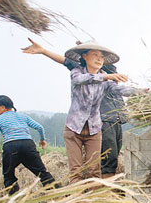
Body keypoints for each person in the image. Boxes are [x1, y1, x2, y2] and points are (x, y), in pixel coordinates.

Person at [23, 39, 136, 184]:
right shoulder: (77, 72)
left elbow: (121, 89)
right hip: (74, 128)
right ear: (84, 56)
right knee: (76, 170)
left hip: (95, 129)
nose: (99, 59)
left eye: (101, 57)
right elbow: (79, 79)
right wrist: (44, 51)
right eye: (94, 55)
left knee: (94, 170)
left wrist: (143, 92)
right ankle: (77, 202)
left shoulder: (107, 79)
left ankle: (94, 202)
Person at [0, 95, 58, 195]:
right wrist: (42, 140)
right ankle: (58, 193)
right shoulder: (22, 116)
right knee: (42, 172)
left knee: (8, 176)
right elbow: (39, 127)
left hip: (11, 146)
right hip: (27, 145)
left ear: (3, 107)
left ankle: (14, 200)